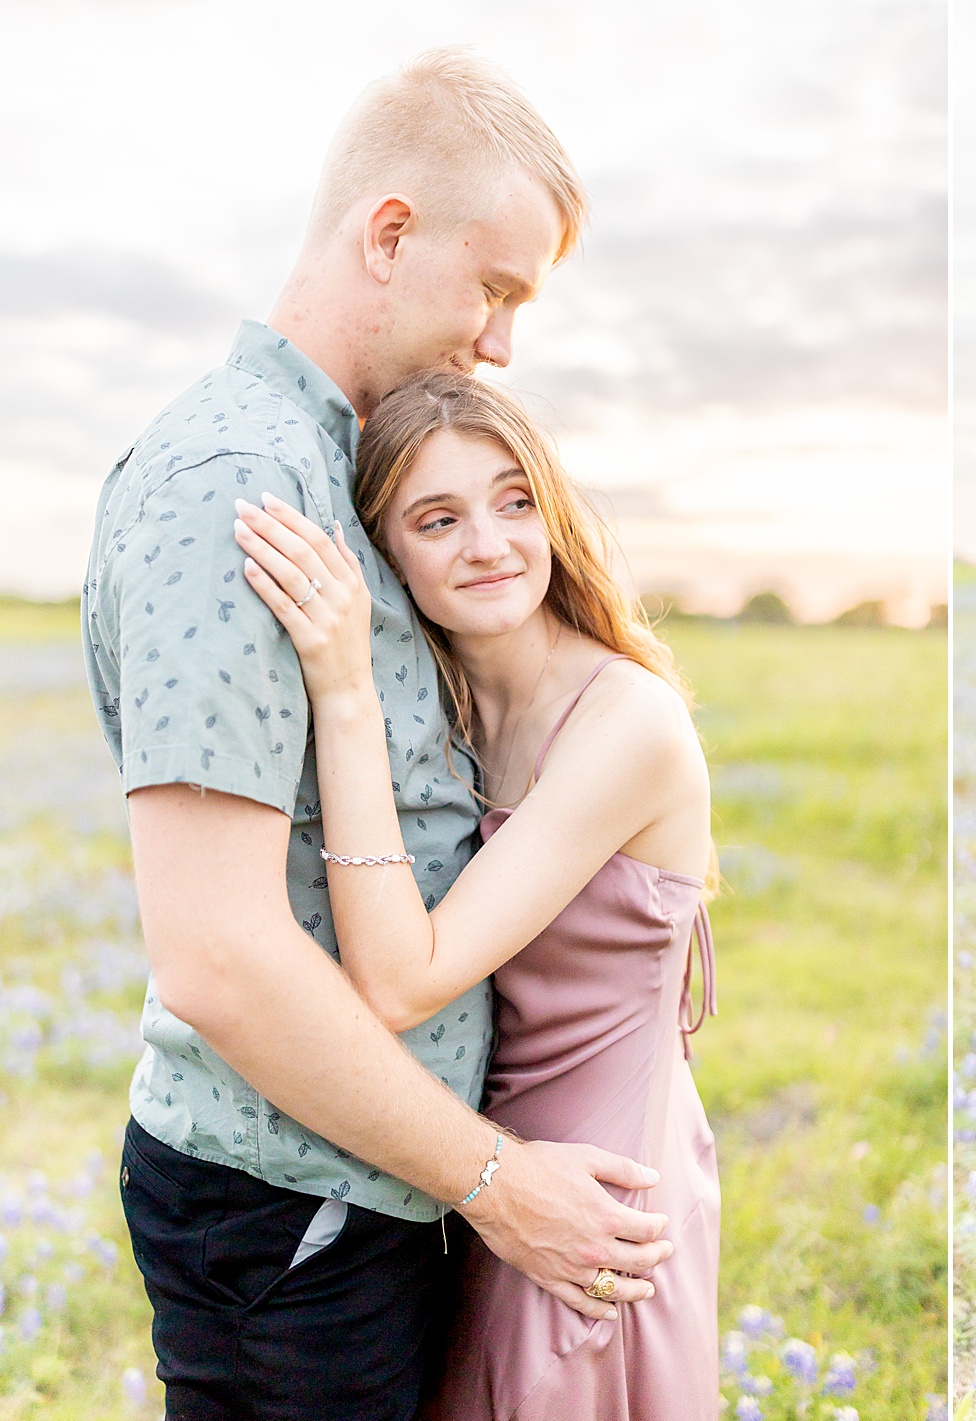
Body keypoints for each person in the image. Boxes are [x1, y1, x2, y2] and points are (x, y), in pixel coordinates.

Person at [83, 50, 669, 1421]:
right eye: (498, 288)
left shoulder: (340, 469)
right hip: (295, 1206)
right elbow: (218, 952)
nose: (504, 341)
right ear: (389, 234)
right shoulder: (236, 484)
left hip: (363, 1184)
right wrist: (490, 1177)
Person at [231, 370, 720, 1420]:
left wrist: (345, 689)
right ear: (383, 553)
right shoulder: (450, 709)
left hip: (593, 1177)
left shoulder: (624, 719)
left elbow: (402, 979)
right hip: (482, 1164)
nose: (490, 543)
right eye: (437, 518)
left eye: (513, 501)